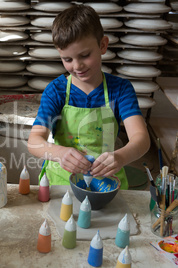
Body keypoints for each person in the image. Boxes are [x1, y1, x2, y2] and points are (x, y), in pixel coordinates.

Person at [27, 5, 150, 189]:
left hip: (106, 182)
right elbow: (34, 140)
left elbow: (141, 138)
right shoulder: (56, 91)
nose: (77, 66)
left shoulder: (120, 89)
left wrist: (121, 156)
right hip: (61, 184)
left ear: (103, 45)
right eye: (67, 59)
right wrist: (59, 153)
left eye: (85, 55)